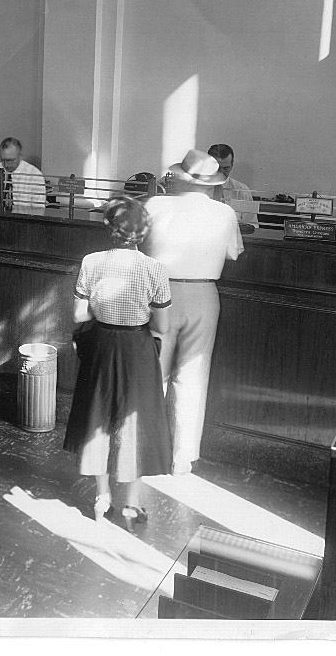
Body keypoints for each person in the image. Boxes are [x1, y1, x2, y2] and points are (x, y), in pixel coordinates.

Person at [63, 194, 172, 533]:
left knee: (98, 417)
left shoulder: (91, 262)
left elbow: (79, 314)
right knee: (135, 420)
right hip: (137, 349)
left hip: (101, 345)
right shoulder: (155, 269)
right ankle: (132, 503)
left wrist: (102, 307)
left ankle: (101, 498)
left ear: (109, 229)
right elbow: (162, 326)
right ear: (143, 233)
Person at [142, 148, 244, 475]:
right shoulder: (225, 213)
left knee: (153, 372)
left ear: (180, 177)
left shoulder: (155, 205)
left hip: (160, 292)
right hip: (204, 295)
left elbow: (140, 243)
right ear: (213, 182)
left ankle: (145, 450)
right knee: (193, 376)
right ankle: (182, 458)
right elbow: (234, 254)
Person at [0, 137, 47, 211]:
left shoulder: (34, 175)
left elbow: (38, 210)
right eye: (2, 160)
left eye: (10, 160)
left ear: (20, 156)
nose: (6, 164)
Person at [207, 143, 257, 226]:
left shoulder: (242, 191)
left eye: (226, 168)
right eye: (217, 168)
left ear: (232, 164)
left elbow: (252, 225)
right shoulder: (197, 189)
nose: (221, 172)